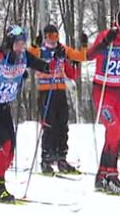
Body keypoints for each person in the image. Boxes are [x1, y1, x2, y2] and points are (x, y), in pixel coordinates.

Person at [0, 26, 51, 201]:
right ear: (9, 43)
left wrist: (53, 64)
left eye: (23, 43)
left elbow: (42, 65)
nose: (20, 47)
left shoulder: (23, 57)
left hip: (3, 108)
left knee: (10, 153)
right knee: (5, 144)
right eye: (17, 43)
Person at [89, 4, 120, 194]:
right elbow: (89, 55)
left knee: (116, 134)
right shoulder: (107, 35)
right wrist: (104, 44)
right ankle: (111, 174)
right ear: (117, 24)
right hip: (103, 91)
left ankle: (102, 175)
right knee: (112, 128)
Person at [27, 25, 86, 175]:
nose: (53, 40)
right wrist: (34, 44)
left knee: (62, 125)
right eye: (49, 37)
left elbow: (79, 59)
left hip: (60, 91)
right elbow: (27, 56)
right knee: (49, 126)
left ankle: (61, 158)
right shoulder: (40, 51)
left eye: (55, 36)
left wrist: (83, 48)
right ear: (45, 37)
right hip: (46, 92)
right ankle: (46, 159)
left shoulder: (63, 50)